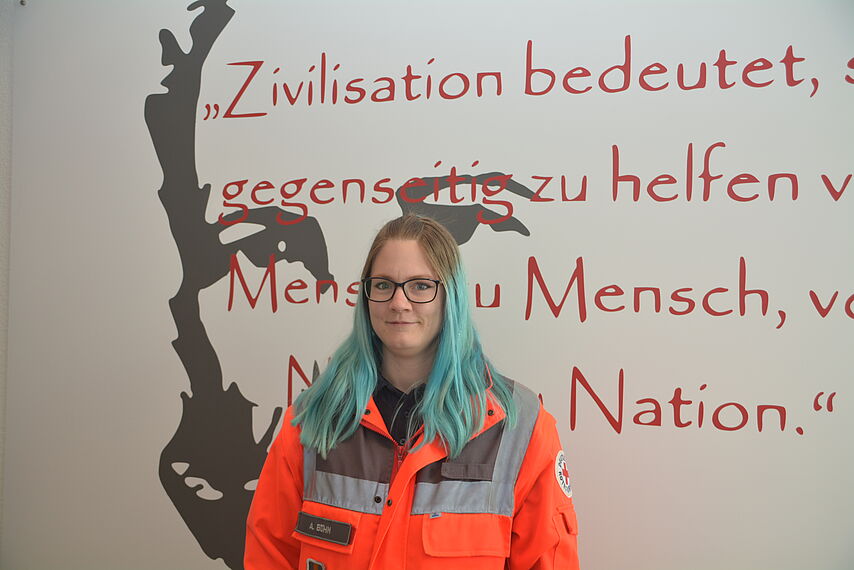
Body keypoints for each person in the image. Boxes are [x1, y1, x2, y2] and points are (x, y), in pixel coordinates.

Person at [245, 214, 579, 569]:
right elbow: (269, 556)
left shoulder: (519, 428)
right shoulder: (312, 420)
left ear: (450, 296)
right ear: (366, 296)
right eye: (383, 285)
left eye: (420, 286)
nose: (399, 303)